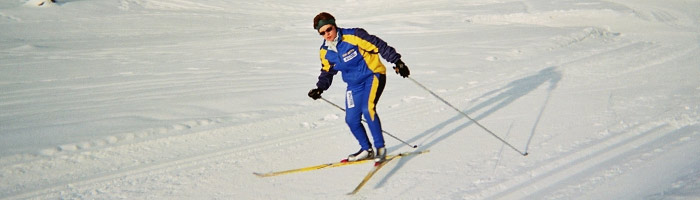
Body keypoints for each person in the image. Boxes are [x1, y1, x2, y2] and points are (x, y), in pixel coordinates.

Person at [307, 12, 410, 162]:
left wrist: (397, 62)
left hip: (373, 75)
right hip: (354, 84)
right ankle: (366, 150)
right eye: (322, 33)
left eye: (328, 29)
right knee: (351, 119)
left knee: (368, 109)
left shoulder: (354, 35)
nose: (327, 34)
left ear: (334, 25)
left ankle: (380, 149)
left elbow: (378, 45)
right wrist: (320, 88)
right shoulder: (325, 51)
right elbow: (327, 71)